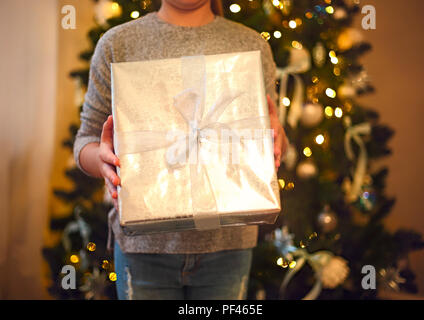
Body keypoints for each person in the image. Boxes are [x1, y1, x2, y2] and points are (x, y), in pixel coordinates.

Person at [74, 0, 287, 300]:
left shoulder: (250, 44)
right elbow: (84, 141)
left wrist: (276, 137)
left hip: (229, 247)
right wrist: (102, 160)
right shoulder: (117, 44)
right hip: (143, 252)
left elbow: (273, 140)